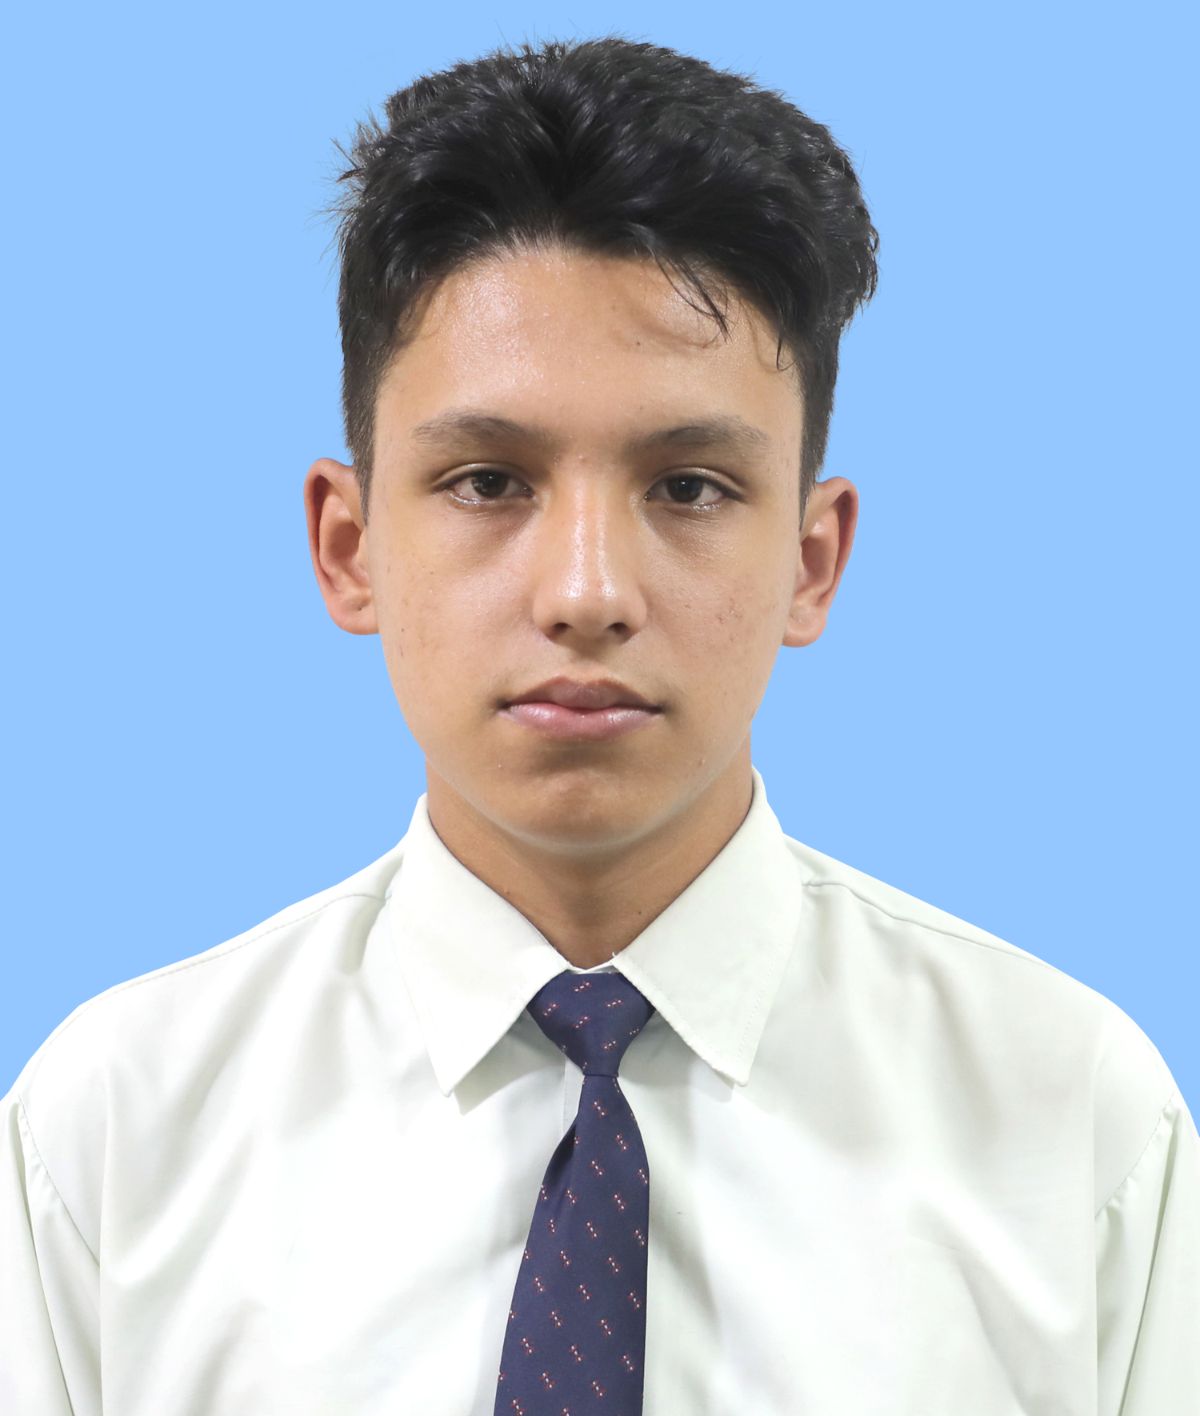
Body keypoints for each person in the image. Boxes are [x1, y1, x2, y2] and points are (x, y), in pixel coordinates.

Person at [2, 32, 1196, 1415]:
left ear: (812, 561)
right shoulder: (115, 1136)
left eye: (689, 488)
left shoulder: (1074, 1123)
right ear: (348, 546)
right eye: (488, 480)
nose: (585, 593)